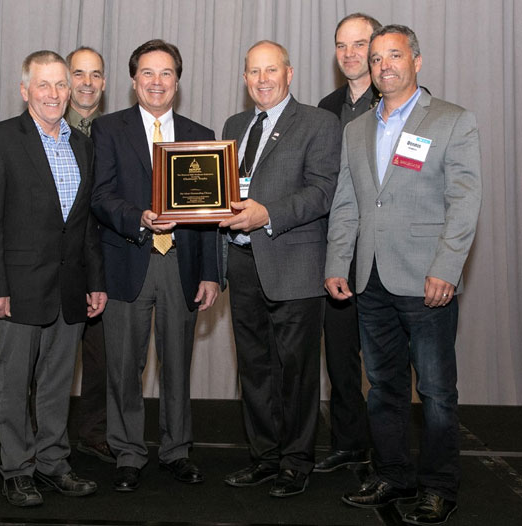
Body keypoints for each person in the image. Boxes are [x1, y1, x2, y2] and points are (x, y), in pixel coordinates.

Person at [325, 25, 481, 525]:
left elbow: (464, 203)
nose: (383, 65)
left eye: (393, 55)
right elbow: (347, 204)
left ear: (416, 60)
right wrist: (337, 263)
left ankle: (439, 487)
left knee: (435, 393)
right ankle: (393, 474)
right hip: (370, 280)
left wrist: (447, 268)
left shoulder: (452, 120)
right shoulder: (355, 130)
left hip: (428, 280)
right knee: (383, 387)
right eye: (375, 59)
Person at [0, 50, 106, 507]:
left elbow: (84, 225)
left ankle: (52, 463)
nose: (53, 93)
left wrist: (95, 281)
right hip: (17, 289)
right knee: (14, 385)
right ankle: (17, 469)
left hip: (70, 289)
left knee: (56, 384)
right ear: (25, 90)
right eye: (43, 85)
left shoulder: (82, 145)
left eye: (60, 84)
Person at [91, 39, 221, 492]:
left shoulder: (201, 135)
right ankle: (127, 453)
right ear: (133, 81)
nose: (157, 82)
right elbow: (100, 196)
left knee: (177, 365)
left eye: (166, 73)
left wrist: (211, 273)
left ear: (177, 82)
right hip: (129, 259)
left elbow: (210, 214)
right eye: (147, 73)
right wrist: (139, 217)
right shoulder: (108, 129)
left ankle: (177, 451)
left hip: (181, 264)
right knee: (124, 367)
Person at [219, 40, 341, 498]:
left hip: (294, 263)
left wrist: (267, 214)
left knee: (297, 372)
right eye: (254, 71)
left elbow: (322, 191)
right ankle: (264, 457)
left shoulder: (318, 123)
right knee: (254, 368)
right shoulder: (234, 126)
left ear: (289, 74)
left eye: (271, 70)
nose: (262, 79)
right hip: (242, 262)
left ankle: (296, 461)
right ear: (244, 78)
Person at [314, 12, 382, 474]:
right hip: (337, 249)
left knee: (384, 361)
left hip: (382, 251)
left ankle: (389, 452)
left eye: (360, 44)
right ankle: (349, 443)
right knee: (339, 357)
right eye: (342, 45)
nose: (350, 53)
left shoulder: (398, 99)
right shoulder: (326, 106)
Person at [63, 46, 114, 464]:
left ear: (105, 83)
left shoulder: (116, 132)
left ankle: (95, 431)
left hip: (105, 262)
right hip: (57, 262)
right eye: (79, 74)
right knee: (50, 358)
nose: (87, 83)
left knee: (102, 357)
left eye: (95, 75)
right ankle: (42, 435)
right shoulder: (45, 125)